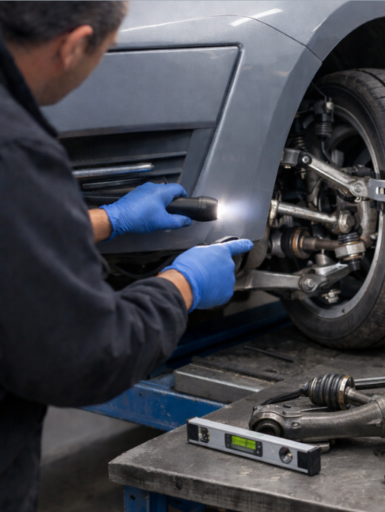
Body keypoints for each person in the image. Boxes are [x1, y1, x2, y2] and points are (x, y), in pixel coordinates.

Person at [0, 3, 253, 509]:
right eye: (105, 51)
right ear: (72, 47)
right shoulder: (15, 152)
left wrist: (106, 220)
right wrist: (183, 285)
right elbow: (88, 353)